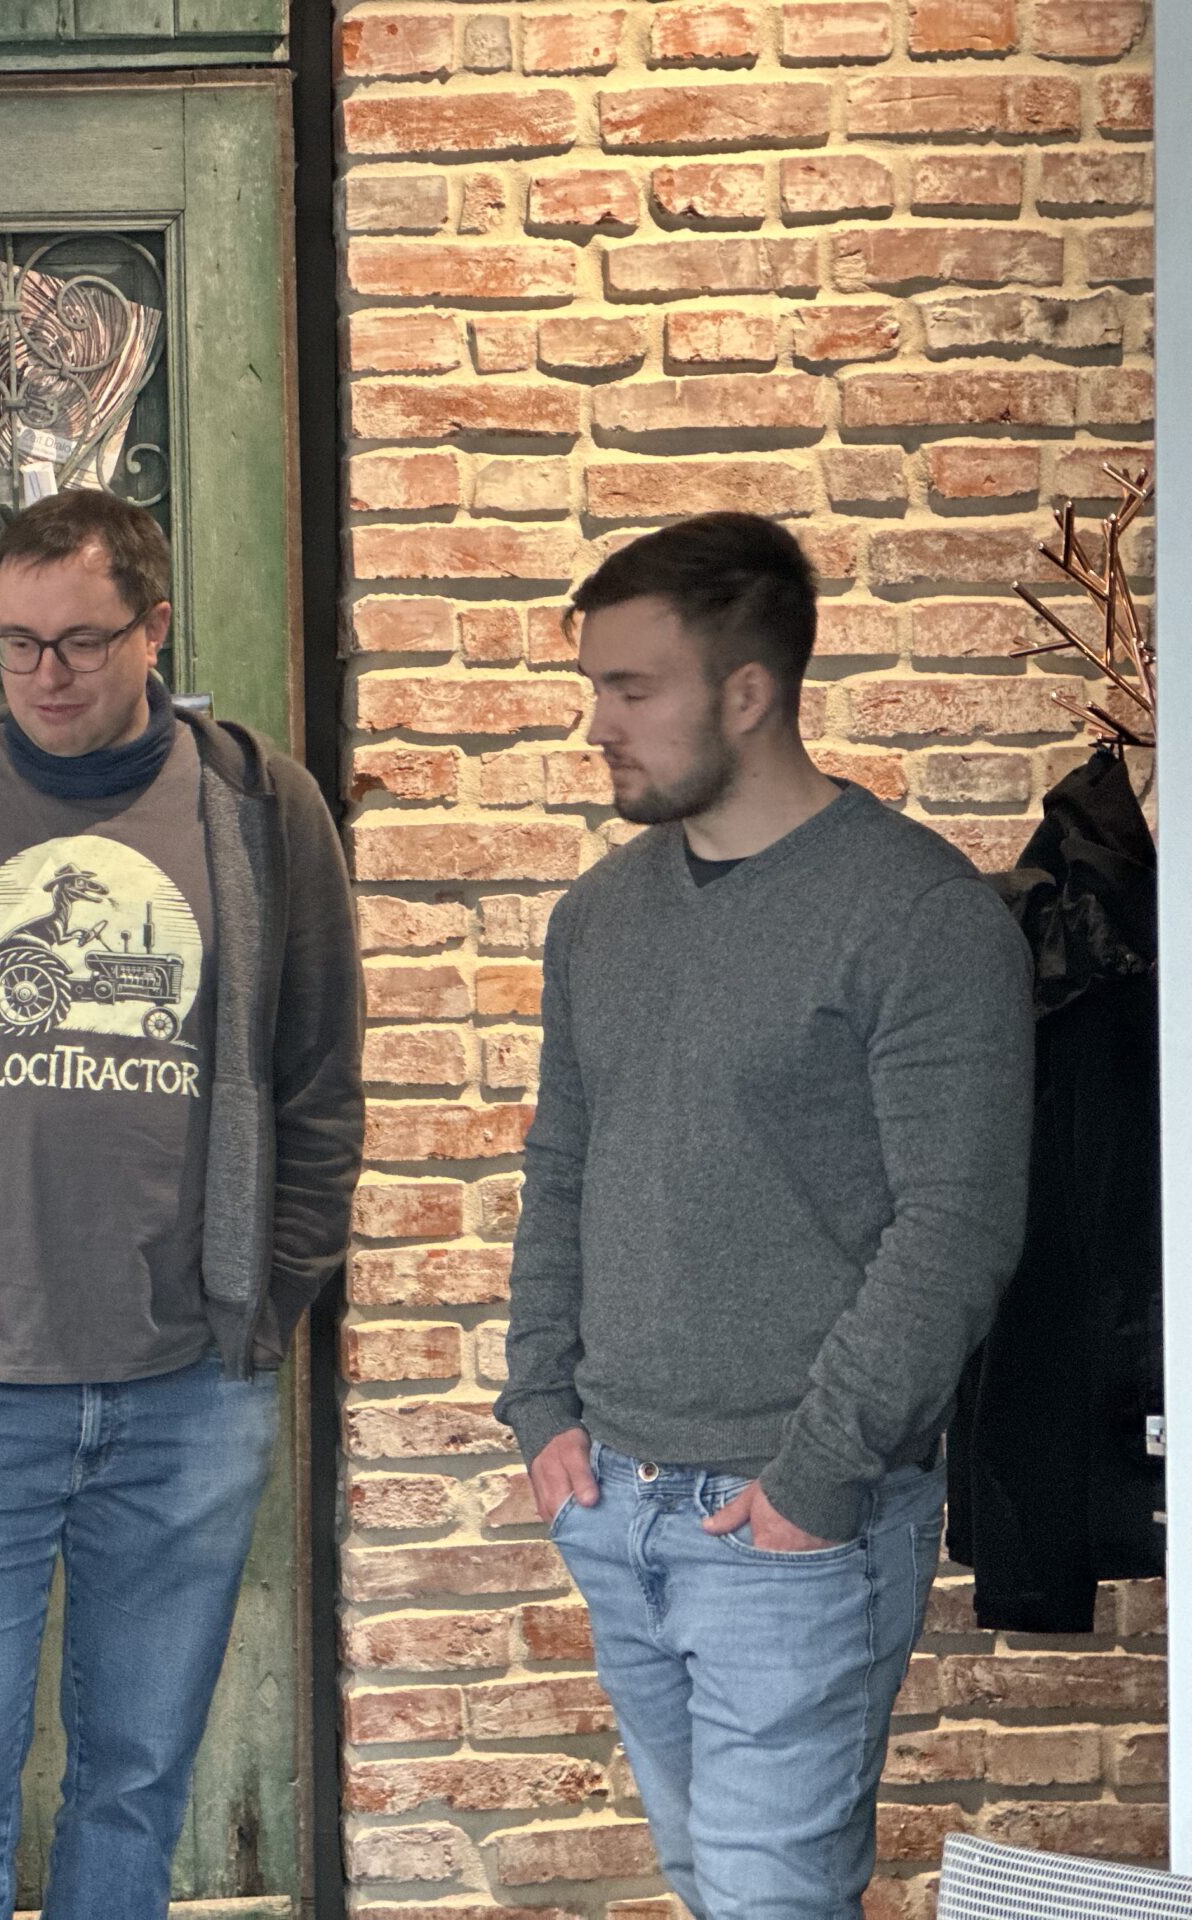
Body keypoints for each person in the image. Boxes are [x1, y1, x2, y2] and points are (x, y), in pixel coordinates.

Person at [0, 488, 362, 1920]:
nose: (44, 676)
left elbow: (320, 1086)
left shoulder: (261, 811)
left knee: (135, 1783)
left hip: (189, 1395)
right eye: (15, 644)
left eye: (81, 643)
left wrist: (266, 1306)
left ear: (153, 628)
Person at [495, 512, 1034, 1918]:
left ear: (746, 692)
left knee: (765, 1901)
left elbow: (956, 1227)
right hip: (615, 1499)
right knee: (712, 1887)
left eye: (631, 689)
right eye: (594, 688)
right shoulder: (599, 916)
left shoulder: (916, 915)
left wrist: (813, 1482)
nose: (598, 726)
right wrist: (541, 1408)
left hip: (788, 1527)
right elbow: (563, 1166)